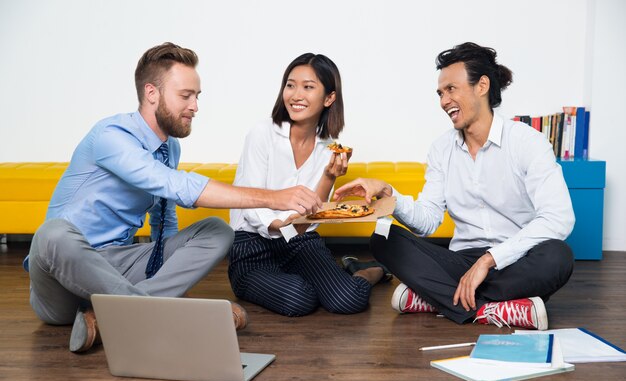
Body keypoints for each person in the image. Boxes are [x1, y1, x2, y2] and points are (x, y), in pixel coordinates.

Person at [26, 42, 323, 353]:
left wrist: (168, 276)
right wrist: (273, 198)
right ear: (152, 93)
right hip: (64, 274)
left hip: (119, 265)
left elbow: (163, 216)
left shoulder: (170, 149)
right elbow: (174, 185)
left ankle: (116, 317)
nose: (195, 106)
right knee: (53, 234)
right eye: (186, 96)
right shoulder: (111, 136)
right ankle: (156, 312)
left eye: (197, 96)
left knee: (217, 230)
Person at [334, 42, 575, 330]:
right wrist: (389, 194)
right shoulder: (441, 149)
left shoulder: (527, 142)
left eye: (451, 89)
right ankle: (499, 309)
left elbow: (559, 217)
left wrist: (489, 260)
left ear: (481, 86)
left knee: (558, 257)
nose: (444, 100)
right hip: (460, 263)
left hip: (516, 257)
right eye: (440, 93)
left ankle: (434, 298)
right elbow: (428, 221)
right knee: (383, 238)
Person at [227, 53, 391, 317]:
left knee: (348, 299)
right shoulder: (262, 133)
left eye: (308, 87)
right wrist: (279, 224)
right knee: (299, 298)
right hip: (252, 245)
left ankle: (366, 271)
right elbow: (249, 200)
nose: (295, 95)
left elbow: (310, 218)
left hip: (298, 240)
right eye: (290, 85)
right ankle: (301, 280)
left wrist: (329, 176)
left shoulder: (330, 148)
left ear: (329, 98)